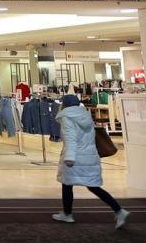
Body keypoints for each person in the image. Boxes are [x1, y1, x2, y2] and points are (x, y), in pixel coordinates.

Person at [52, 94, 130, 229]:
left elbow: (70, 138)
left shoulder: (67, 117)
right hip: (89, 156)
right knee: (93, 186)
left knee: (67, 184)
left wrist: (69, 157)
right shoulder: (85, 116)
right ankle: (118, 210)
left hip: (75, 157)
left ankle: (67, 214)